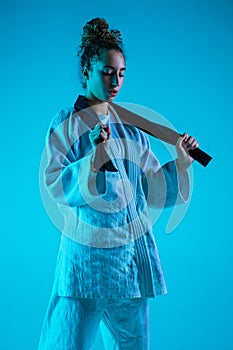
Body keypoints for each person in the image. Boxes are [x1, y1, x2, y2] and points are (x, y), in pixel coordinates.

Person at [38, 17, 199, 350]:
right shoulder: (66, 126)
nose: (115, 81)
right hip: (83, 267)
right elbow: (55, 185)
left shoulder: (132, 129)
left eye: (121, 73)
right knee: (64, 344)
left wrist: (181, 163)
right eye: (107, 72)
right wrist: (94, 157)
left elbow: (153, 189)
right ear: (87, 71)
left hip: (128, 268)